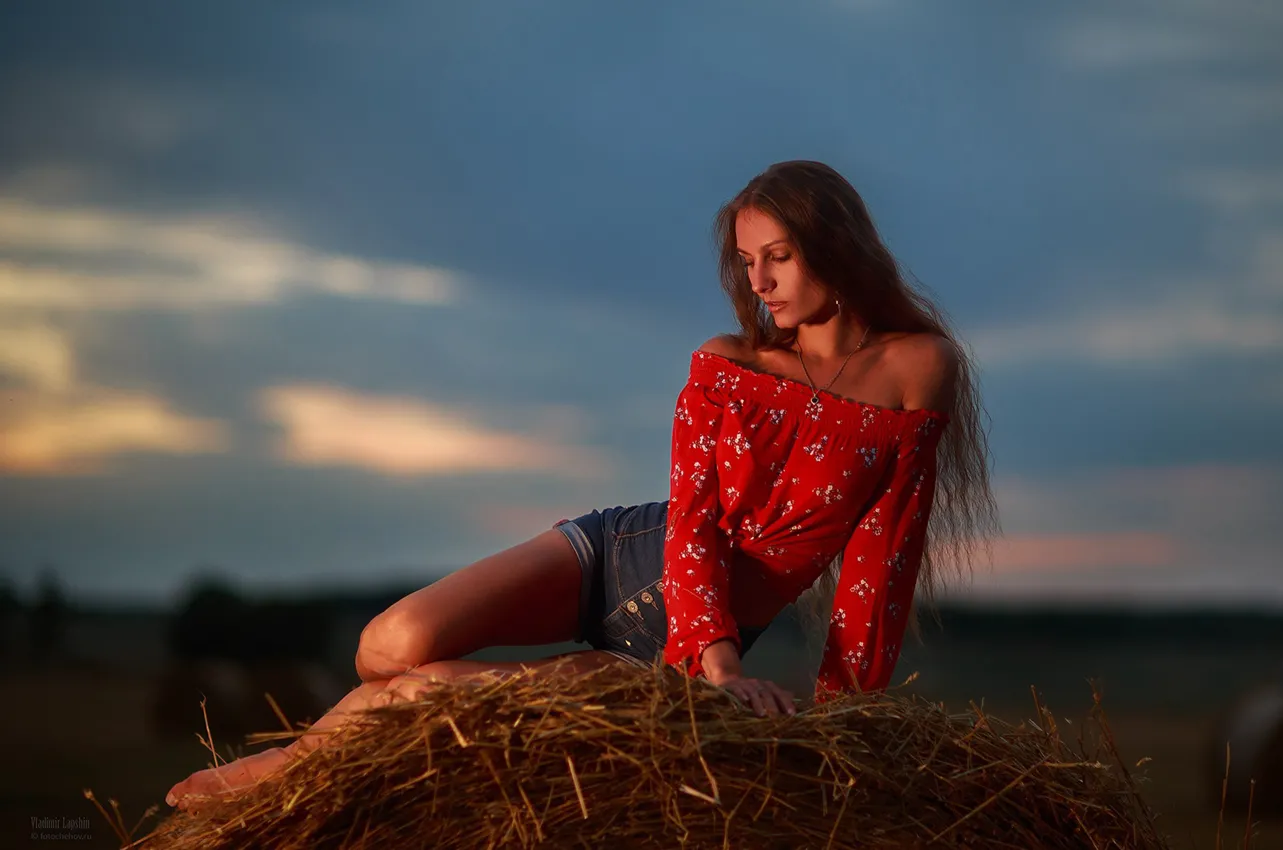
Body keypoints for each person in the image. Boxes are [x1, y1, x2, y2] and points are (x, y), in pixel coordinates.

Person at [165, 160, 999, 811]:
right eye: (748, 263)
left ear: (837, 246)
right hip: (625, 551)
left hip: (672, 651)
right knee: (387, 647)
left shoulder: (918, 369)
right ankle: (287, 770)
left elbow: (879, 566)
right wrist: (721, 663)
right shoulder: (726, 363)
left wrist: (840, 729)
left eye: (778, 257)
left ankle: (283, 772)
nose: (760, 282)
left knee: (416, 696)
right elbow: (698, 522)